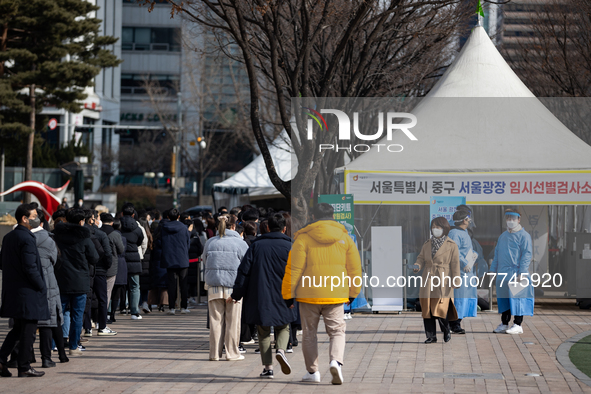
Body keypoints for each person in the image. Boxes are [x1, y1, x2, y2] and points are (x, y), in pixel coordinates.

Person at [282, 203, 362, 385]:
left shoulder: (303, 238)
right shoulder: (345, 237)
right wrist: (353, 292)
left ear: (313, 216)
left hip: (308, 294)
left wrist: (288, 295)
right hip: (336, 294)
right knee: (337, 331)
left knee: (309, 333)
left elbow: (293, 269)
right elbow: (355, 269)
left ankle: (313, 372)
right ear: (333, 216)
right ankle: (336, 362)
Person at [231, 213, 294, 379]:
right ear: (284, 228)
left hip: (260, 292)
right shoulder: (291, 246)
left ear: (266, 227)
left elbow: (244, 271)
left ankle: (268, 368)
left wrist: (237, 293)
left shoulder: (256, 246)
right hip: (285, 293)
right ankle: (281, 349)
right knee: (284, 325)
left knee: (263, 330)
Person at [0, 204, 49, 377]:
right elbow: (30, 268)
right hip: (28, 293)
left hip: (13, 291)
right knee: (28, 331)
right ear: (24, 219)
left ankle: (0, 360)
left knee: (17, 330)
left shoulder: (9, 237)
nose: (37, 218)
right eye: (34, 216)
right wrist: (41, 286)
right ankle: (24, 366)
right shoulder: (27, 238)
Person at [53, 208, 100, 356]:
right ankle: (73, 346)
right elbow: (94, 257)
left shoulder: (57, 236)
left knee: (58, 313)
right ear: (81, 221)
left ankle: (54, 344)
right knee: (77, 315)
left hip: (61, 279)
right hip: (80, 281)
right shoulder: (84, 238)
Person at [203, 214, 249, 361]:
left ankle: (214, 354)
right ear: (234, 226)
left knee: (216, 321)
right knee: (233, 321)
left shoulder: (210, 242)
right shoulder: (240, 243)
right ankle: (232, 353)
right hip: (233, 287)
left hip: (213, 285)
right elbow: (246, 265)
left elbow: (205, 260)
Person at [32, 208, 69, 367]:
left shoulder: (20, 237)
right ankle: (54, 356)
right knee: (52, 321)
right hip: (49, 282)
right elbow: (57, 261)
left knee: (27, 325)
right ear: (42, 222)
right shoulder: (49, 239)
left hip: (26, 285)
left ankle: (22, 357)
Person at [414, 217, 460, 344]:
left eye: (438, 227)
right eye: (434, 227)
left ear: (444, 229)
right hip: (428, 277)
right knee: (427, 308)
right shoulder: (427, 244)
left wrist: (456, 279)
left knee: (440, 307)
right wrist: (417, 265)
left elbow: (455, 264)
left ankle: (446, 330)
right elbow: (421, 258)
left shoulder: (452, 245)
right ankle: (431, 336)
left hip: (443, 278)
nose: (435, 229)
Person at [491, 209, 534, 335]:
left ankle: (518, 324)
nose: (510, 221)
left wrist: (522, 272)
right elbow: (497, 254)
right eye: (508, 219)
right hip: (503, 273)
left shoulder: (524, 236)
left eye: (513, 219)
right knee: (504, 299)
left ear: (519, 219)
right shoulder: (503, 236)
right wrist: (493, 270)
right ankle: (504, 323)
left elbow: (527, 255)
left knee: (518, 298)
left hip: (517, 273)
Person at [447, 209, 477, 334]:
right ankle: (454, 324)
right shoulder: (454, 233)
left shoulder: (463, 232)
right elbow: (455, 251)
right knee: (458, 298)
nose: (469, 221)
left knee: (464, 298)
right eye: (468, 218)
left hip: (466, 271)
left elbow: (465, 250)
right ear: (465, 220)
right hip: (459, 271)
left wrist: (473, 256)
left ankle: (457, 322)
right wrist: (465, 263)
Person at [160, 209, 191, 315]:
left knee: (171, 284)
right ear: (178, 217)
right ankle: (183, 307)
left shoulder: (164, 227)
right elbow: (188, 243)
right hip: (182, 258)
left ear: (168, 217)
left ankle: (172, 307)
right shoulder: (184, 227)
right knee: (183, 283)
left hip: (169, 257)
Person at [120, 204, 145, 320]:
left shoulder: (118, 226)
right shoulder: (137, 228)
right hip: (134, 258)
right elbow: (140, 241)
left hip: (120, 257)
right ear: (133, 215)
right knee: (135, 286)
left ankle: (114, 309)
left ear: (121, 214)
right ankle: (134, 312)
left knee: (117, 285)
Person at [100, 213, 124, 322]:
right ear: (112, 222)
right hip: (111, 266)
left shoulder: (97, 232)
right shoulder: (115, 234)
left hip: (97, 266)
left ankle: (95, 318)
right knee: (108, 293)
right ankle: (103, 319)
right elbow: (121, 250)